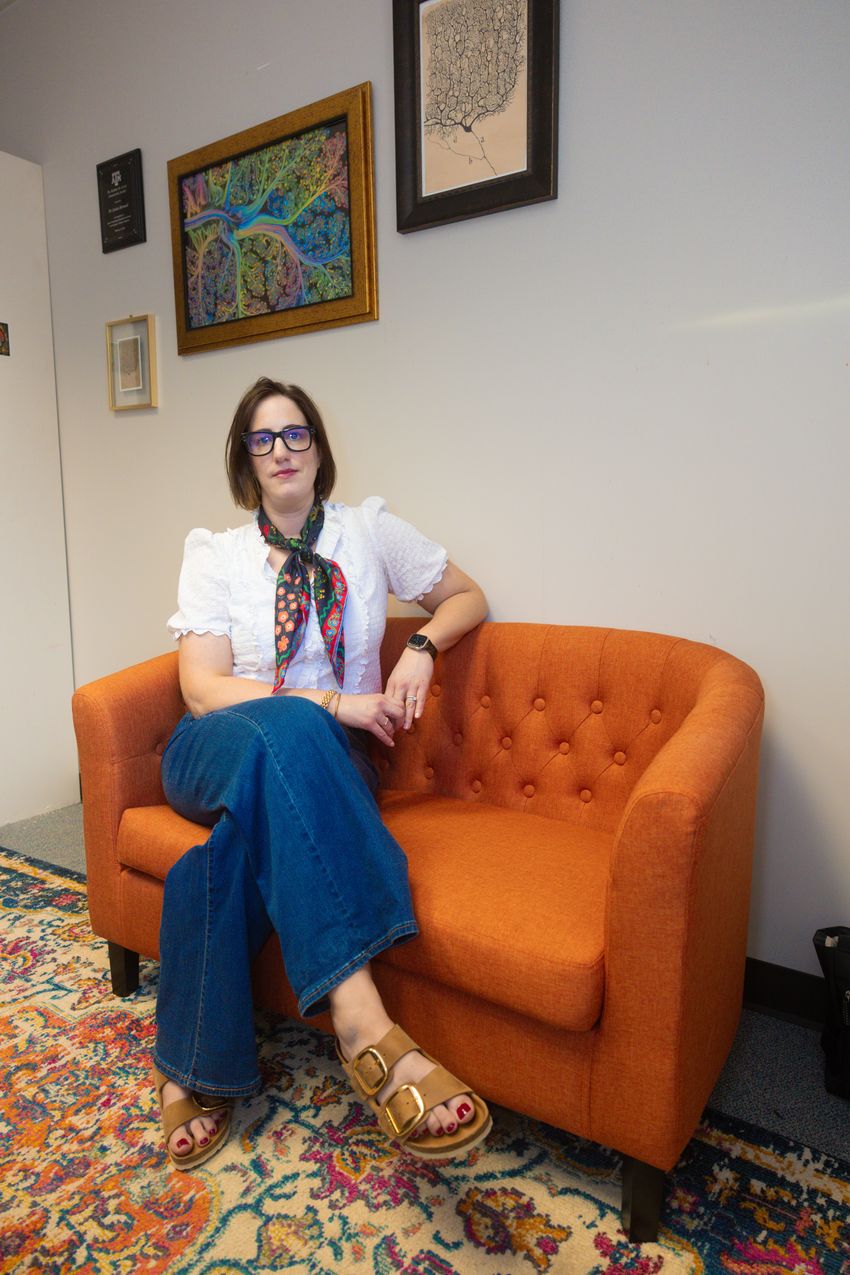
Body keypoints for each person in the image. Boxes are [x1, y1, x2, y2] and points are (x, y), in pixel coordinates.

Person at [154, 375, 492, 1170]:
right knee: (297, 722)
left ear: (317, 446)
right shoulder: (217, 554)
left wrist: (421, 645)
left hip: (331, 769)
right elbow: (202, 689)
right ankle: (363, 1021)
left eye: (295, 432)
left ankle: (187, 1065)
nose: (281, 449)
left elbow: (468, 596)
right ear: (246, 458)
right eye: (262, 438)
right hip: (216, 748)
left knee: (223, 857)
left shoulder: (367, 531)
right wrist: (331, 701)